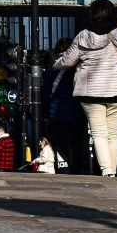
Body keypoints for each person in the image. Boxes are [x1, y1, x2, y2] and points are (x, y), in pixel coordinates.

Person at [53, 0, 117, 178]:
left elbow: (68, 61)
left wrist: (56, 64)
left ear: (92, 15)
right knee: (112, 133)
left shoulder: (83, 36)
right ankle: (113, 172)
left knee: (98, 133)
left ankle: (107, 171)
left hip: (90, 94)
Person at [45, 38, 87, 174]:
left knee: (61, 146)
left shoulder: (56, 70)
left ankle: (64, 169)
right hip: (78, 114)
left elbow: (47, 93)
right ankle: (79, 170)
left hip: (59, 115)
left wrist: (46, 114)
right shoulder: (79, 70)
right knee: (78, 145)